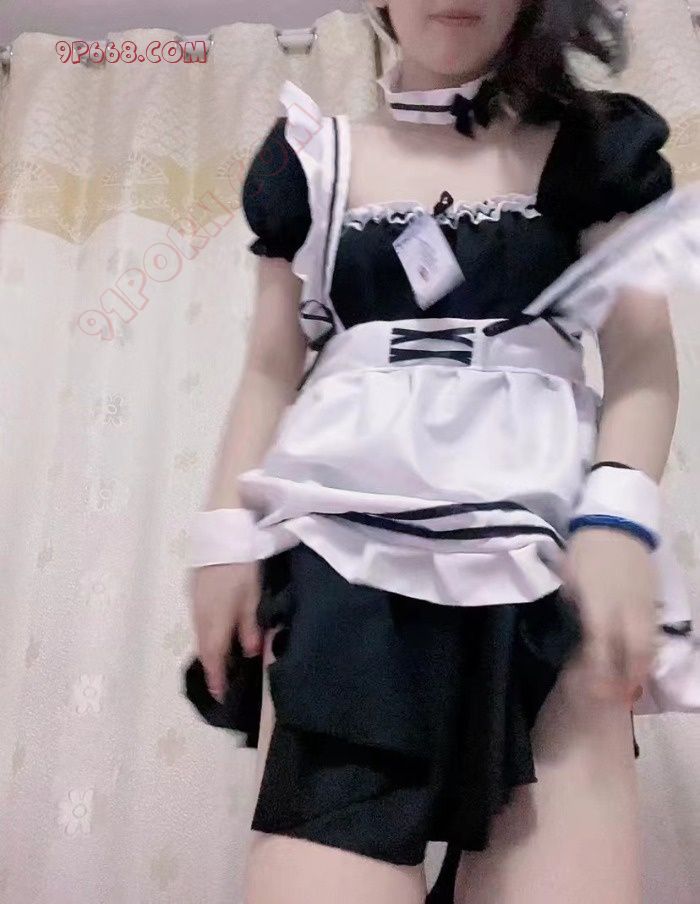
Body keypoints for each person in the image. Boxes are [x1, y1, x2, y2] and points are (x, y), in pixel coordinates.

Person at [183, 2, 691, 901]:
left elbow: (643, 358)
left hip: (548, 562)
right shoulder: (312, 163)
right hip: (343, 565)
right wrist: (223, 538)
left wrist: (619, 518)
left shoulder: (593, 152)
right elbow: (268, 368)